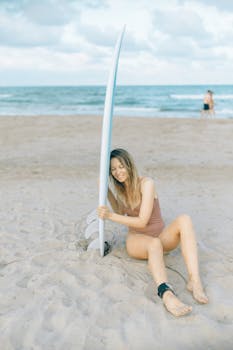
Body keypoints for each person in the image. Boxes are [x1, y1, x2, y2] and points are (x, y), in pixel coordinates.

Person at [97, 148, 208, 317]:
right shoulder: (121, 189)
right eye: (113, 169)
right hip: (137, 241)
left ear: (129, 165)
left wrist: (110, 216)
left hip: (160, 238)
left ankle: (195, 280)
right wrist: (107, 191)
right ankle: (166, 293)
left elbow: (142, 220)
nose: (118, 172)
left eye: (121, 166)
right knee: (153, 243)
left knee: (184, 219)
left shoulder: (147, 184)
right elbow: (120, 211)